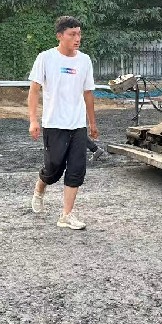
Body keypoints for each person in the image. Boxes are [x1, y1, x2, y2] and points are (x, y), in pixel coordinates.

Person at [28, 15, 99, 230]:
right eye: (72, 34)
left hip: (77, 124)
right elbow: (34, 91)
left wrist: (92, 122)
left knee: (77, 169)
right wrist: (33, 120)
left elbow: (88, 93)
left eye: (79, 34)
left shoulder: (84, 60)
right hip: (54, 123)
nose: (77, 38)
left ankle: (66, 215)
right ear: (60, 36)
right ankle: (40, 188)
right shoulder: (46, 58)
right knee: (53, 169)